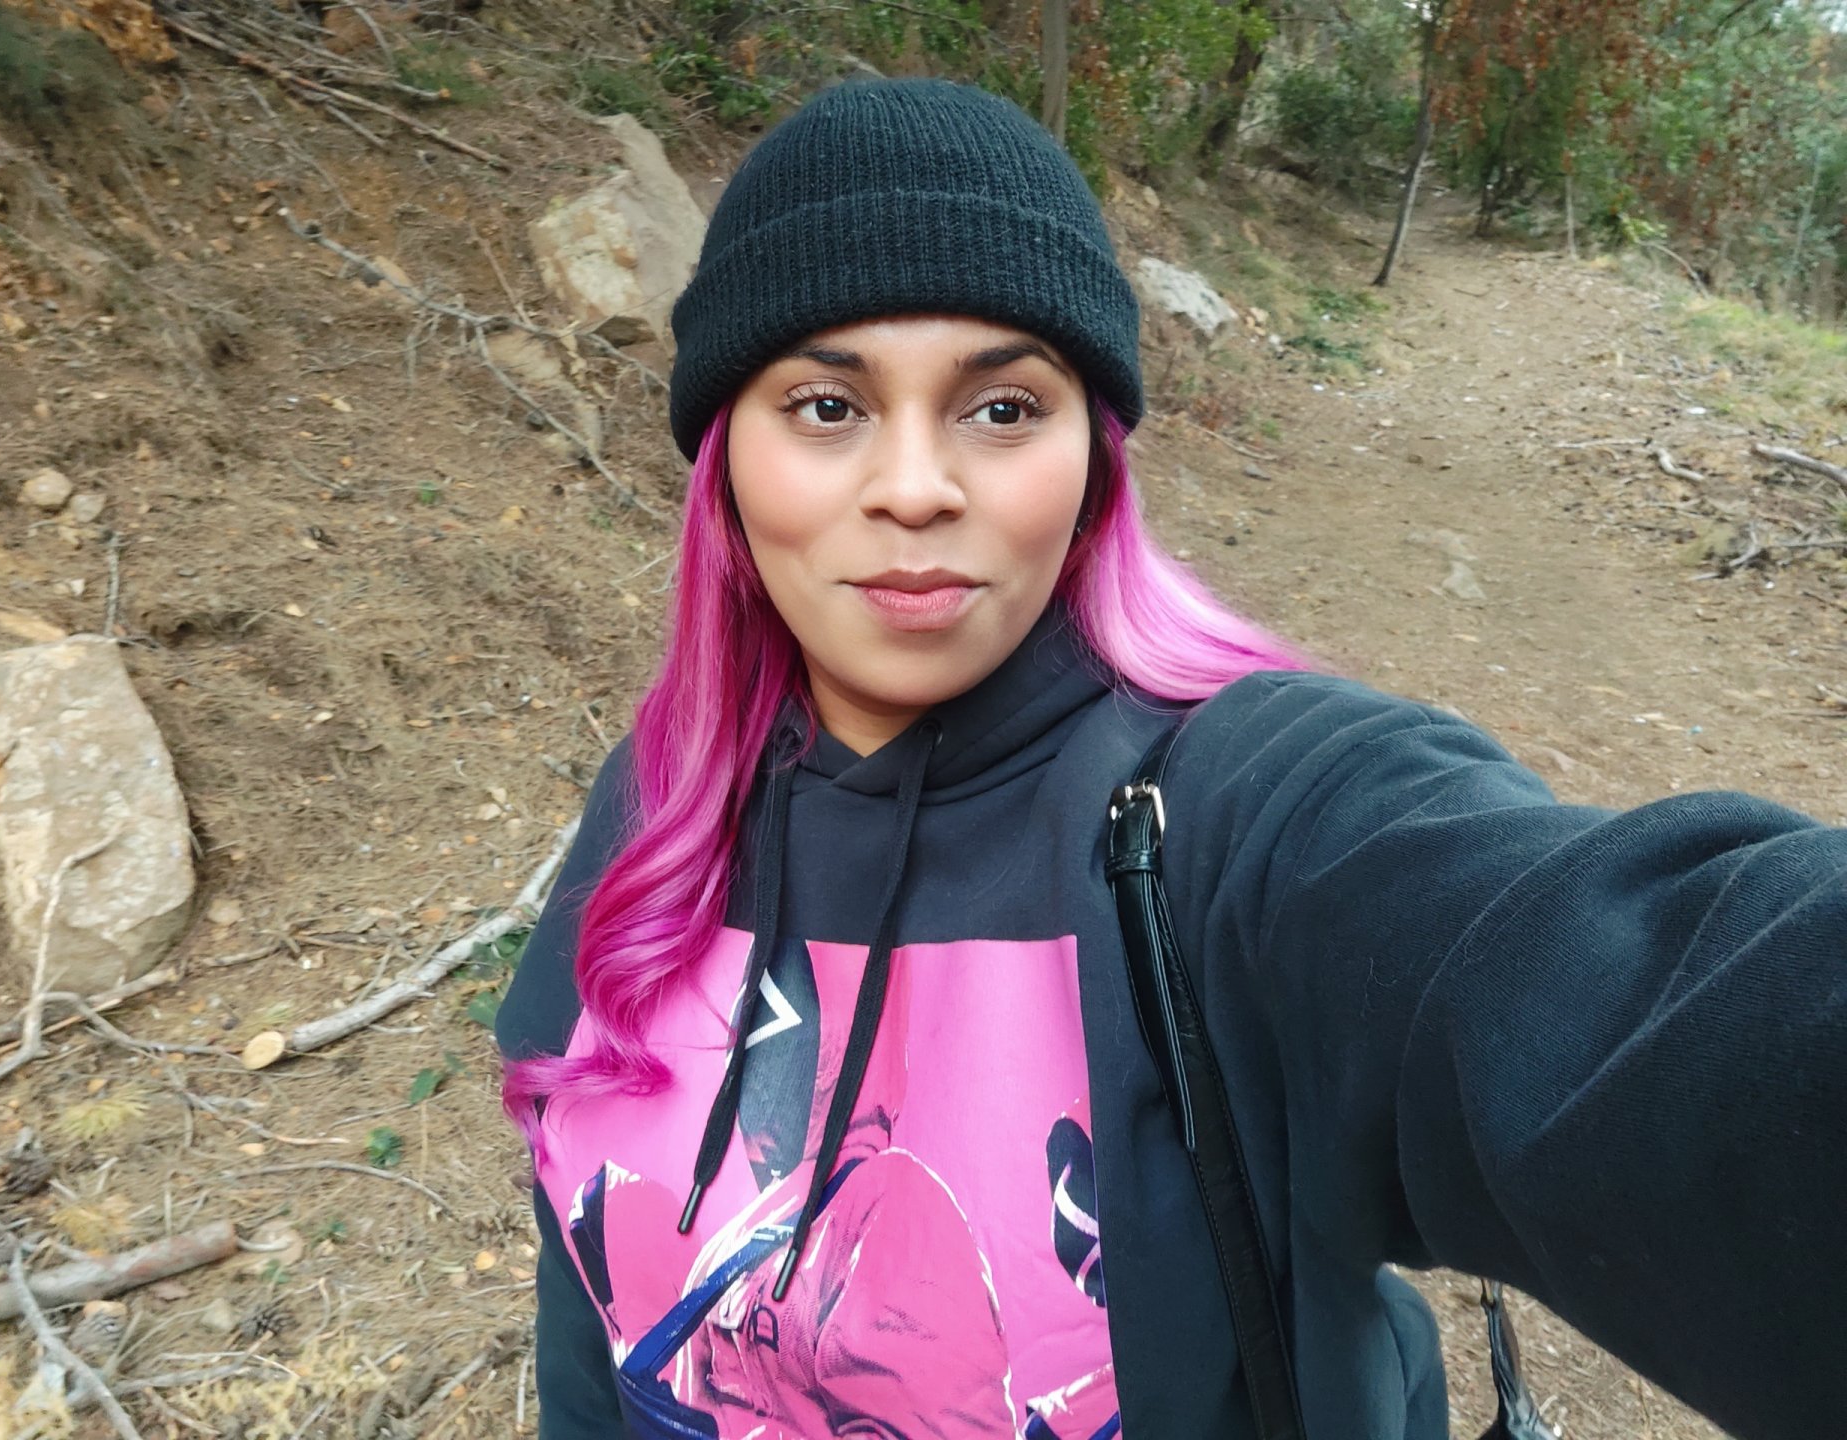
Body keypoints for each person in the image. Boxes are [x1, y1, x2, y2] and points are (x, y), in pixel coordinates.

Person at [496, 78, 1847, 1440]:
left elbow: (1648, 1001)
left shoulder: (1232, 820)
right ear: (726, 457)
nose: (914, 486)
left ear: (1094, 455)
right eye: (827, 405)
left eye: (1002, 408)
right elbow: (592, 1314)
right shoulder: (659, 808)